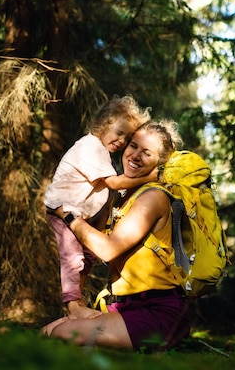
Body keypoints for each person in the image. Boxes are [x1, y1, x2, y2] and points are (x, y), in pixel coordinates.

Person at [42, 120, 191, 352]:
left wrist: (68, 215)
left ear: (159, 163)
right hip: (125, 306)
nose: (135, 155)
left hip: (157, 311)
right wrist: (75, 300)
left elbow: (108, 249)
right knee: (47, 332)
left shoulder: (152, 197)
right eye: (133, 146)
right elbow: (90, 248)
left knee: (62, 334)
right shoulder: (122, 197)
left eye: (147, 153)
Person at [44, 96, 157, 319]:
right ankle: (72, 303)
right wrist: (150, 177)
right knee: (73, 257)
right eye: (119, 133)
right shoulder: (90, 147)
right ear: (104, 123)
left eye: (126, 138)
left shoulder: (102, 152)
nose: (121, 141)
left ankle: (77, 298)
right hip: (61, 208)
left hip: (77, 213)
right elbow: (114, 183)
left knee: (89, 255)